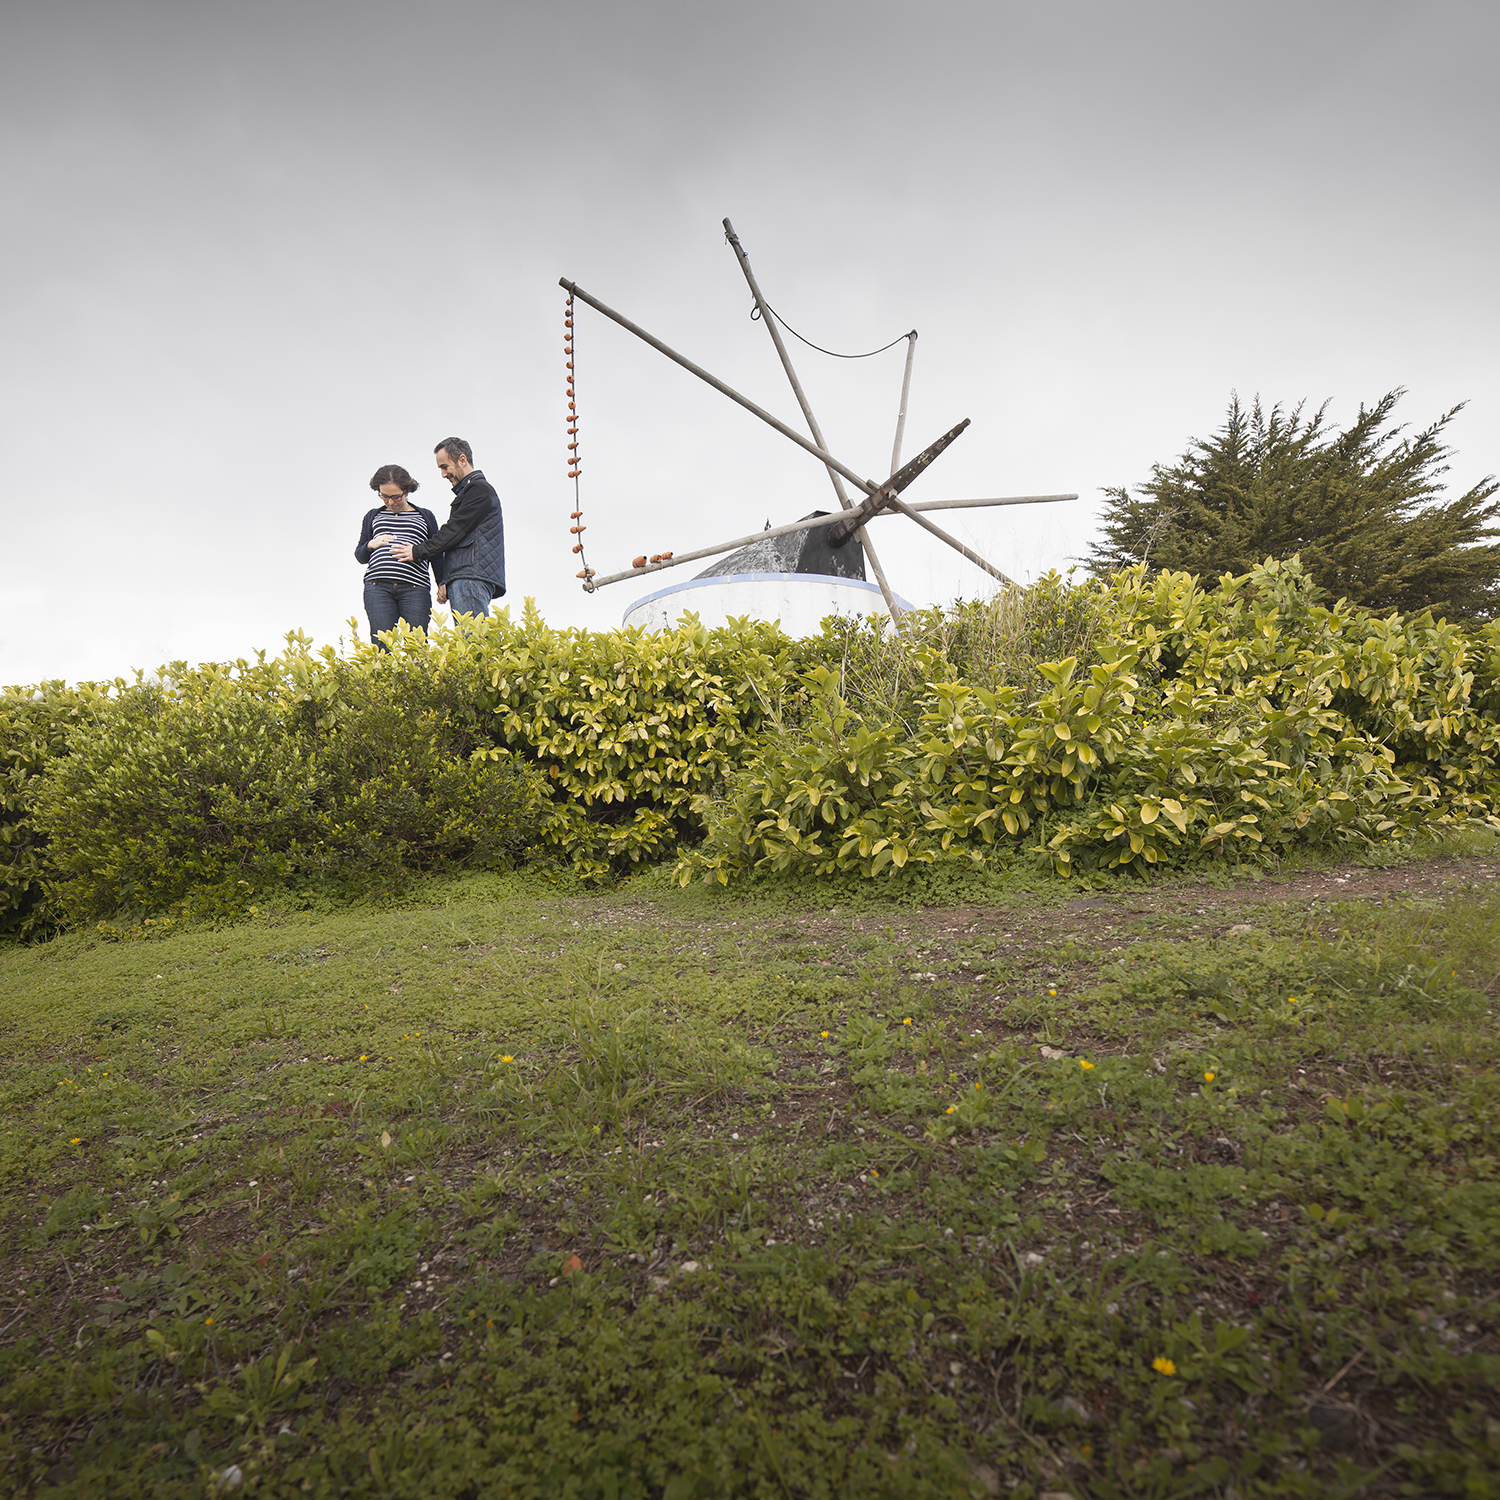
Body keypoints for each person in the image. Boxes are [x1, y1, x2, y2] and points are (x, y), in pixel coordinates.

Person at [387, 437, 505, 619]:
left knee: (473, 640)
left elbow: (453, 531)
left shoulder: (479, 490)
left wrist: (417, 551)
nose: (443, 474)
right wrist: (446, 580)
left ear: (462, 460)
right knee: (468, 639)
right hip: (466, 576)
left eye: (445, 467)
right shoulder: (472, 491)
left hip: (470, 577)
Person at [355, 464, 446, 646]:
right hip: (378, 587)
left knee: (417, 645)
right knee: (382, 645)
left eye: (396, 497)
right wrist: (371, 544)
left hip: (415, 588)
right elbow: (360, 556)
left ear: (407, 491)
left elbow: (436, 553)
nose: (390, 502)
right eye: (384, 497)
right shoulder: (373, 516)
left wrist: (442, 582)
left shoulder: (425, 516)